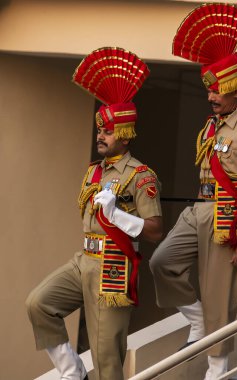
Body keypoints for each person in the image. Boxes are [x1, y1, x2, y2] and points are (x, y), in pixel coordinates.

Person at [149, 3, 237, 379]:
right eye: (209, 90)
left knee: (221, 297)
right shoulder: (209, 127)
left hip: (228, 216)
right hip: (198, 208)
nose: (210, 97)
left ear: (234, 88)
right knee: (161, 262)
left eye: (217, 91)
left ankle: (216, 371)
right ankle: (197, 320)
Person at [26, 47, 163, 380]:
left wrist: (119, 216)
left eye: (107, 131)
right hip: (84, 259)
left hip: (113, 267)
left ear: (125, 133)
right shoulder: (94, 172)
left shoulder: (141, 176)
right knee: (39, 303)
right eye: (99, 130)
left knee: (106, 359)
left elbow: (156, 230)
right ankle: (72, 372)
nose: (100, 136)